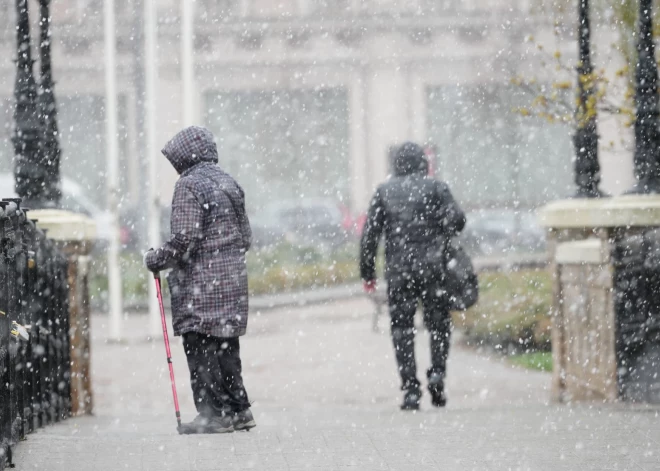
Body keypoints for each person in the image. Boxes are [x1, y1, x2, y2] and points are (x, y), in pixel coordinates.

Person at [144, 126, 255, 434]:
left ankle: (213, 414)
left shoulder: (189, 185)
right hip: (232, 283)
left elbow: (184, 240)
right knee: (226, 345)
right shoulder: (228, 182)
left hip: (200, 286)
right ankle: (239, 410)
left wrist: (154, 259)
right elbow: (245, 237)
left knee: (200, 344)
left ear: (182, 157)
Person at [359, 142, 466, 411]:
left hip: (400, 272)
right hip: (434, 270)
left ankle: (410, 390)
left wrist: (367, 273)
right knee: (438, 324)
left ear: (396, 165)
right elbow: (458, 221)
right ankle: (437, 373)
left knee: (402, 329)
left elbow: (370, 236)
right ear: (423, 164)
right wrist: (439, 224)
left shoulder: (384, 192)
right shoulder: (437, 188)